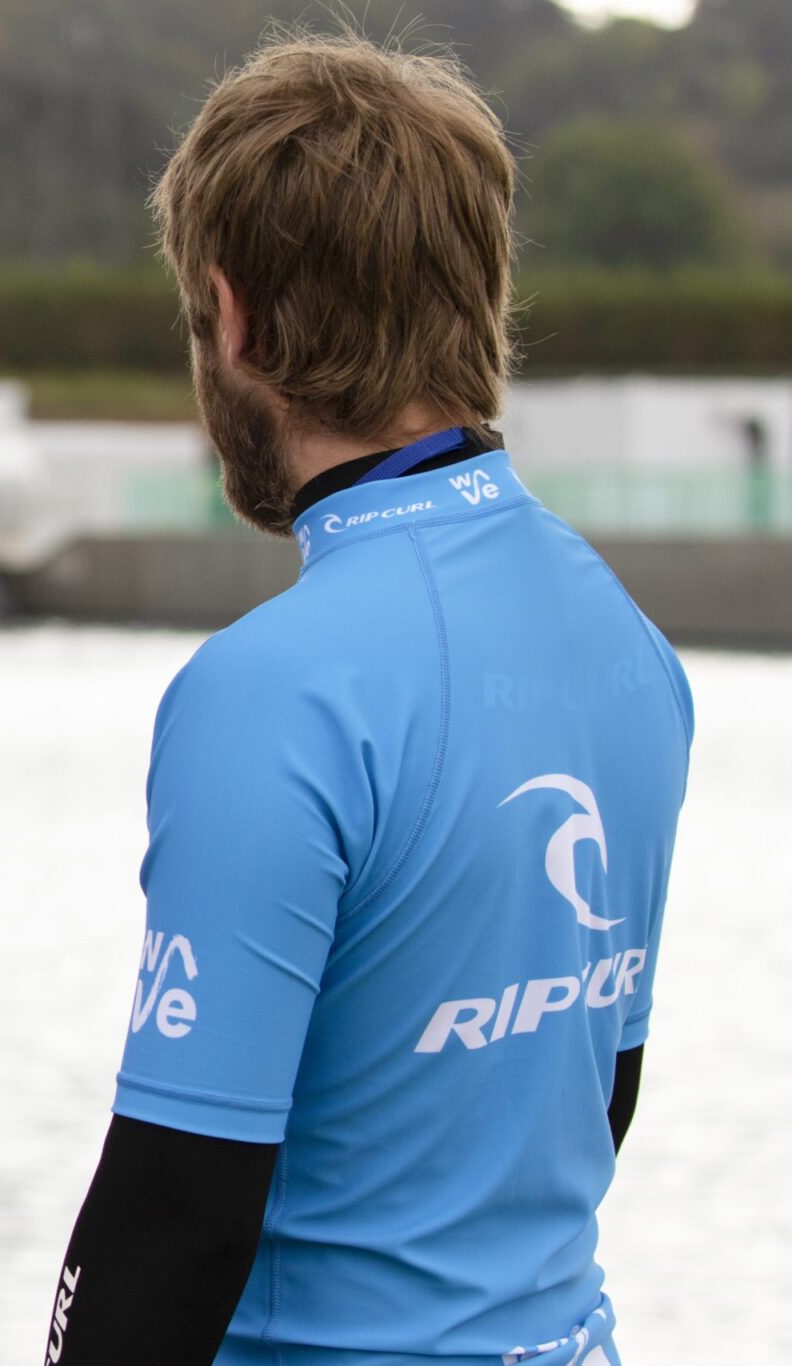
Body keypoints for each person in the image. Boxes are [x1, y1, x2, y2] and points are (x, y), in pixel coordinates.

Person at [42, 36, 690, 1366]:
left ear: (237, 319)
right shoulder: (627, 636)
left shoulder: (270, 691)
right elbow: (590, 1096)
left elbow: (175, 1213)